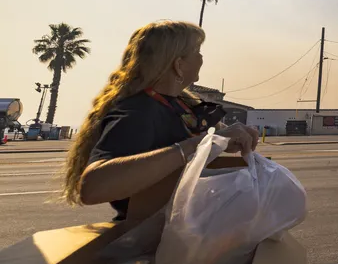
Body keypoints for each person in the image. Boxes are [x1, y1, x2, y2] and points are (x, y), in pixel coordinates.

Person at [62, 20, 260, 220]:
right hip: (148, 240)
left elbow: (213, 131)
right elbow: (94, 187)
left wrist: (228, 138)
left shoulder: (181, 104)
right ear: (179, 65)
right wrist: (193, 146)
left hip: (180, 232)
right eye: (197, 52)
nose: (201, 59)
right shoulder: (138, 112)